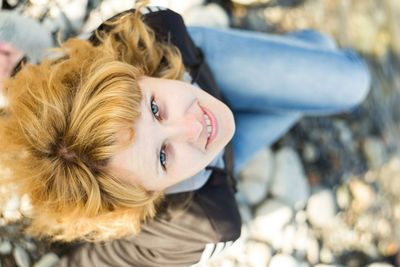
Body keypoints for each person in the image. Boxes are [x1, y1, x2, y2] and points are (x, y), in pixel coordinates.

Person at [0, 2, 371, 266]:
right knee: (337, 73)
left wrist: (21, 75)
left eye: (156, 109)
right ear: (147, 195)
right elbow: (101, 261)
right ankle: (311, 52)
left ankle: (310, 55)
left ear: (135, 74)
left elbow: (70, 73)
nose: (195, 127)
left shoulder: (152, 34)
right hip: (216, 172)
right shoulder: (203, 224)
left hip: (199, 69)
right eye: (162, 155)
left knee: (353, 82)